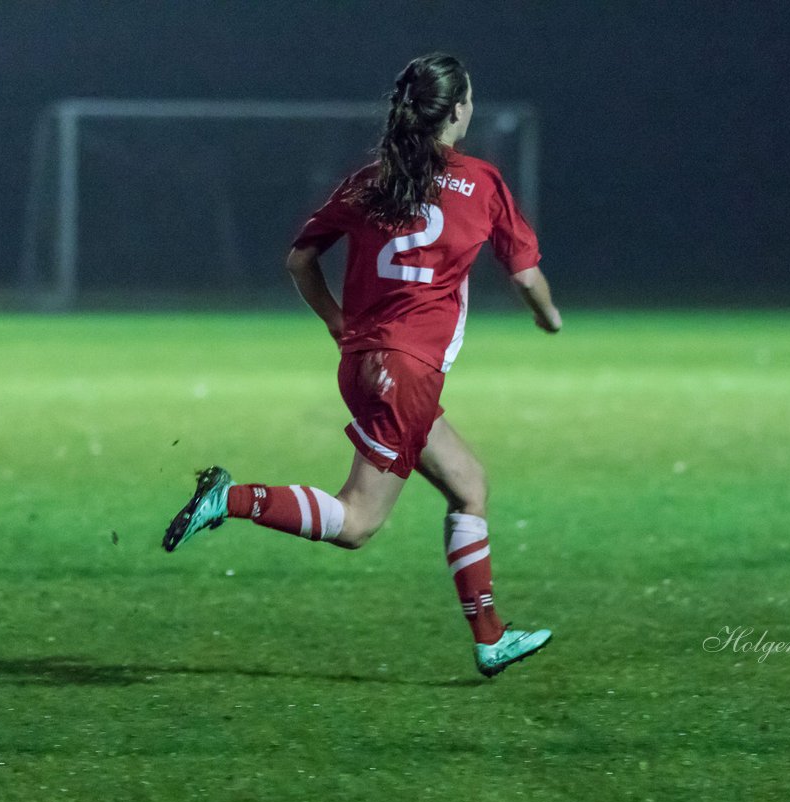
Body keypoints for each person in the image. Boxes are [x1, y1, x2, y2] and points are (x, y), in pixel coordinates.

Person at [162, 53, 562, 678]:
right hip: (405, 376)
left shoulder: (370, 181)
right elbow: (528, 277)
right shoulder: (481, 183)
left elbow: (299, 260)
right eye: (471, 99)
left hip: (366, 365)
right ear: (457, 110)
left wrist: (335, 321)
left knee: (468, 485)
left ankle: (490, 637)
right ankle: (230, 499)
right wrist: (548, 317)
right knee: (357, 522)